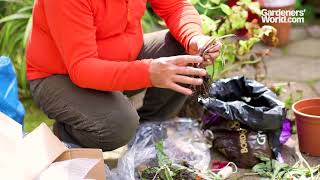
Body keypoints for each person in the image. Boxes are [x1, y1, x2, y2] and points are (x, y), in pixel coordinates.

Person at [26, 0, 221, 151]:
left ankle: (147, 136)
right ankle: (67, 137)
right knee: (118, 124)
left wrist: (193, 37)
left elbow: (175, 7)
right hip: (58, 76)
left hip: (120, 58)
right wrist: (148, 72)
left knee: (185, 54)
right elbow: (82, 68)